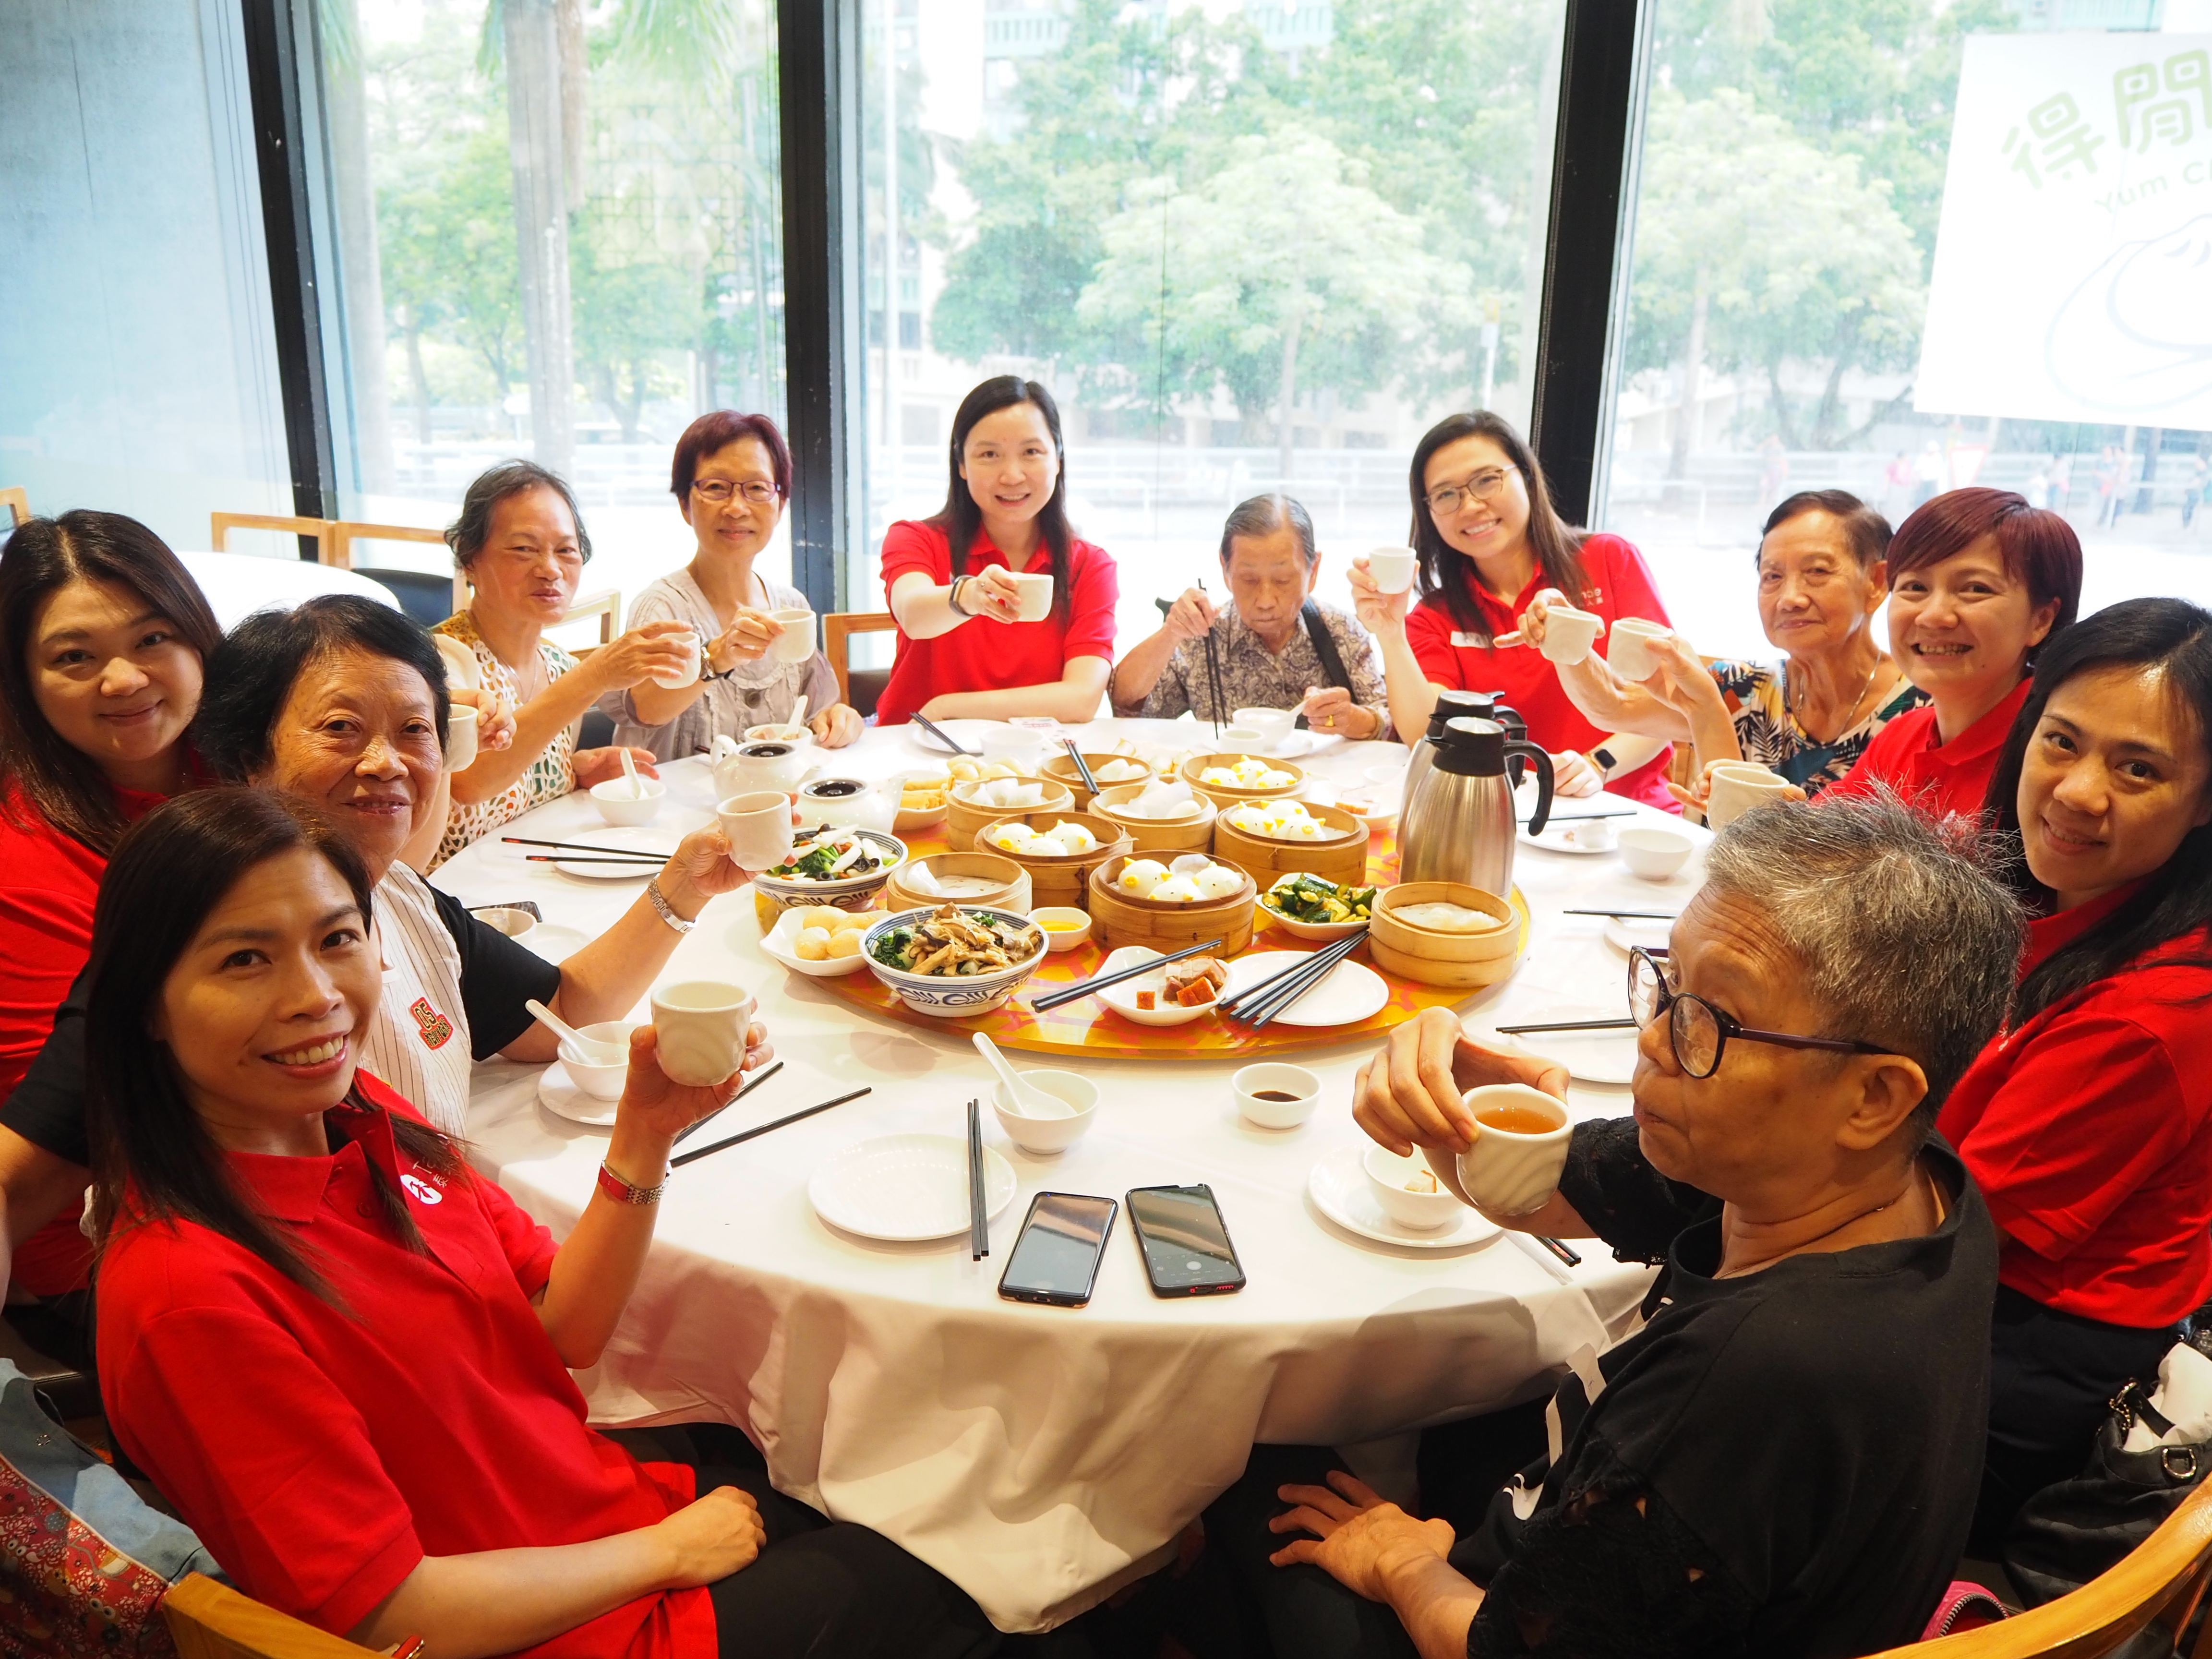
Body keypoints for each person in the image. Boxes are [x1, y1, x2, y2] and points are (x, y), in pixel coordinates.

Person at [84, 787, 998, 1659]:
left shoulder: (360, 1114)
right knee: (957, 1564)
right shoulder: (186, 1297)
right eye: (245, 959)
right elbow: (386, 1616)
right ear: (146, 1008)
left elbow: (564, 1326)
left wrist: (644, 1133)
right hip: (561, 1623)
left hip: (590, 1511)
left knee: (879, 1477)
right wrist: (668, 1553)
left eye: (337, 939)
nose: (314, 994)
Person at [1207, 795, 2019, 1658]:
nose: (1655, 1042)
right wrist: (1442, 1082)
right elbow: (1541, 1192)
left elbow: (1503, 1648)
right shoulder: (1880, 1171)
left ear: (1871, 1096)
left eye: (1711, 1019)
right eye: (1667, 986)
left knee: (1241, 1452)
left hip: (1506, 1625)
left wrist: (1403, 1564)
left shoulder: (1755, 1382)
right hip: (1608, 1559)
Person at [0, 596, 764, 1300]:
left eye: (414, 729)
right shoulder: (181, 953)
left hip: (454, 1287)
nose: (385, 762)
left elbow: (559, 1009)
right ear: (245, 758)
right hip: (322, 1323)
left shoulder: (397, 895)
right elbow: (28, 1188)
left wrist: (684, 887)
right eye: (340, 728)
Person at [1939, 598, 2212, 1547]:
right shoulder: (2066, 906)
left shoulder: (2154, 1016)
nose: (2080, 791)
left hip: (2012, 1361)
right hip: (1961, 1277)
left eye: (2139, 769)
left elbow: (1939, 1220)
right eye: (2062, 742)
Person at [0, 511, 222, 1300]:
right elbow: (91, 1110)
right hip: (118, 1233)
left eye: (152, 638)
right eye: (74, 657)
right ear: (24, 680)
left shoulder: (234, 761)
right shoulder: (24, 858)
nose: (124, 678)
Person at [1523, 491, 1926, 802]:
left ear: (1876, 583)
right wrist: (1563, 634)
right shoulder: (1745, 688)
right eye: (1772, 577)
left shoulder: (1923, 714)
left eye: (1817, 572)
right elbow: (1612, 704)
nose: (1791, 597)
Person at [1346, 412, 1666, 804]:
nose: (1470, 505)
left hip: (1630, 816)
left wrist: (1598, 764)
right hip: (1509, 816)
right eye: (1447, 494)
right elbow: (1426, 734)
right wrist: (1390, 633)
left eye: (1486, 480)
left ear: (1527, 478)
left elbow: (1668, 700)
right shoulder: (1436, 615)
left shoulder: (1608, 561)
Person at [434, 460, 698, 866]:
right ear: (470, 558)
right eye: (524, 549)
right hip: (452, 901)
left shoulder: (555, 663)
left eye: (566, 551)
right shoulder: (439, 662)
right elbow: (471, 783)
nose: (551, 570)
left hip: (535, 883)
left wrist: (575, 773)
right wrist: (594, 675)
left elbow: (518, 785)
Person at [601, 412, 861, 761]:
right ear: (684, 504)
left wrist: (839, 719)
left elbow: (817, 712)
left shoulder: (790, 605)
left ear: (781, 504)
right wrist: (717, 655)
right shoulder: (663, 608)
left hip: (774, 806)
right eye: (716, 488)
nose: (736, 508)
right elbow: (645, 708)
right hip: (677, 810)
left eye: (756, 489)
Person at [1824, 487, 2080, 822]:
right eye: (1915, 587)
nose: (1933, 616)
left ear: (2041, 619)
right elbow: (1808, 840)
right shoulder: (1902, 738)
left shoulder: (2054, 759)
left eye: (1975, 589)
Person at [875, 377, 1119, 728]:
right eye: (989, 455)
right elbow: (913, 615)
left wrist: (949, 708)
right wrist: (971, 596)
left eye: (1031, 452)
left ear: (1059, 458)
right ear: (961, 464)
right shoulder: (916, 539)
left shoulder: (1090, 566)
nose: (1012, 475)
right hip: (916, 757)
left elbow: (1081, 699)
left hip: (1030, 768)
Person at [1109, 494, 1391, 738]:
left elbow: (1390, 724)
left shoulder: (1340, 630)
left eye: (1282, 580)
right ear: (1225, 569)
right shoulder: (1203, 635)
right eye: (1248, 580)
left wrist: (1353, 719)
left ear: (1313, 570)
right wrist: (1170, 633)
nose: (1266, 601)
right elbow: (1128, 709)